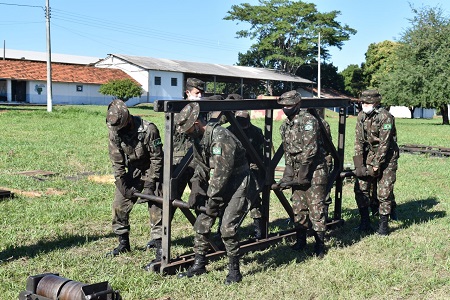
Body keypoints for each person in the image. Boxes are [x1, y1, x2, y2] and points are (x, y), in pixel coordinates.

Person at [176, 102, 255, 284]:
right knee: (202, 221)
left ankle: (234, 270)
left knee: (227, 228)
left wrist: (212, 201)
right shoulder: (198, 138)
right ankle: (199, 264)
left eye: (188, 129)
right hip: (219, 184)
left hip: (238, 184)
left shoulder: (221, 138)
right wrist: (196, 188)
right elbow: (201, 165)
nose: (187, 134)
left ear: (196, 123)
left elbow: (221, 173)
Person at [143, 77, 207, 270]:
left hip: (198, 161)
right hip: (178, 162)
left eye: (202, 93)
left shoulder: (207, 110)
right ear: (187, 93)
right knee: (165, 200)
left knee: (202, 199)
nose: (200, 96)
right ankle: (158, 240)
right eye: (197, 93)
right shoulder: (178, 110)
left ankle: (205, 239)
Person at [105, 99, 163, 257]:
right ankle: (123, 243)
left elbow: (157, 159)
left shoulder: (149, 129)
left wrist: (150, 184)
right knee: (118, 205)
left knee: (157, 207)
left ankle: (159, 246)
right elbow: (116, 161)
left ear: (127, 119)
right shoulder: (114, 131)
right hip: (134, 171)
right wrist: (122, 184)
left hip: (153, 170)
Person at [275, 90, 328, 258]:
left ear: (297, 105)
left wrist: (304, 172)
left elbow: (311, 149)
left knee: (316, 207)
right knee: (298, 207)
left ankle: (320, 244)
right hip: (298, 170)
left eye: (289, 105)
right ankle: (301, 240)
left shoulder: (308, 121)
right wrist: (288, 173)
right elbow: (287, 151)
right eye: (283, 106)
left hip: (314, 170)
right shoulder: (285, 125)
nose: (286, 108)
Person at [353, 90, 399, 235]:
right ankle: (365, 222)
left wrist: (376, 165)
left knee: (384, 192)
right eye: (362, 102)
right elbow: (359, 141)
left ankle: (383, 226)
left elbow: (385, 144)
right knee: (360, 188)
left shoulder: (385, 117)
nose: (364, 105)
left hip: (387, 157)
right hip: (370, 155)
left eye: (367, 102)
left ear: (376, 103)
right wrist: (359, 164)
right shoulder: (361, 116)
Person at [227, 110, 266, 239]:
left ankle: (259, 230)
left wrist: (257, 172)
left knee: (253, 197)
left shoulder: (256, 132)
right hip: (234, 169)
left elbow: (260, 155)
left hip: (252, 167)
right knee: (230, 200)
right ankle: (226, 229)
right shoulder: (229, 131)